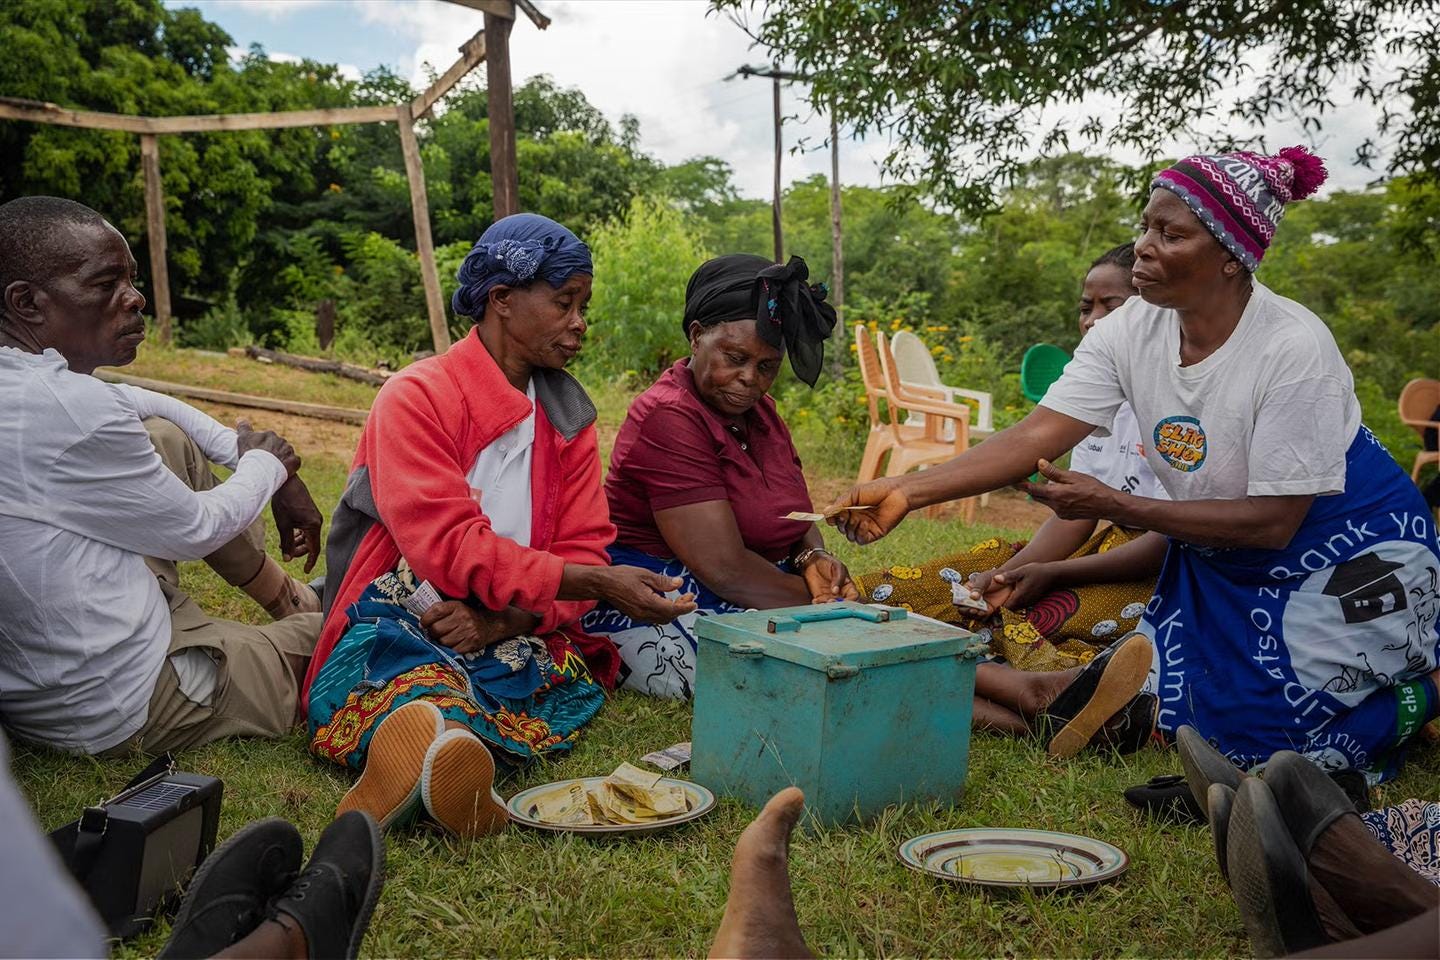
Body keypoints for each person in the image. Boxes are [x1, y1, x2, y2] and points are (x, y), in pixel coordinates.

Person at [829, 146, 1440, 779]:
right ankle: (1057, 696)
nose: (1144, 246)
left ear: (1231, 258)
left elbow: (1275, 522)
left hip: (1342, 553)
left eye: (1170, 233)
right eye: (1146, 226)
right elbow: (1038, 432)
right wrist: (909, 489)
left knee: (1271, 753)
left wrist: (1113, 505)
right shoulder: (1134, 329)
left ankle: (1425, 688)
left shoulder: (1292, 349)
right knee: (1180, 714)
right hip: (1218, 553)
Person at [303, 213, 695, 838]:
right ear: (502, 300)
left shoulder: (567, 414)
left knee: (529, 670)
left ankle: (436, 756)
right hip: (404, 603)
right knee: (403, 672)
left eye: (583, 306)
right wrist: (595, 584)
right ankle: (441, 748)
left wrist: (502, 621)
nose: (580, 323)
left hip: (514, 615)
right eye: (564, 303)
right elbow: (450, 548)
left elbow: (584, 544)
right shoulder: (416, 396)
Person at [0, 196, 325, 757]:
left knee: (167, 435)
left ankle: (287, 597)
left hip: (45, 674)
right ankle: (297, 624)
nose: (135, 298)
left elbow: (131, 396)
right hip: (116, 701)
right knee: (345, 633)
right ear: (27, 302)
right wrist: (267, 465)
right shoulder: (69, 410)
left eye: (130, 279)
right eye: (106, 283)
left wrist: (247, 452)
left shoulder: (30, 383)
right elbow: (195, 530)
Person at [855, 242, 1170, 673]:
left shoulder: (1175, 403)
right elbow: (1071, 511)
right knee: (955, 585)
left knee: (1040, 615)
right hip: (1092, 554)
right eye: (1085, 307)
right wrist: (1009, 573)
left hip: (1158, 571)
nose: (1093, 320)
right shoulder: (1097, 399)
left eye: (1110, 305)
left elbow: (1171, 540)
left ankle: (1073, 686)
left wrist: (1055, 573)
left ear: (1150, 309)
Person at [580, 253, 858, 700]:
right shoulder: (668, 416)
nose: (749, 379)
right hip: (669, 602)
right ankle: (998, 698)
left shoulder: (760, 412)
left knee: (879, 637)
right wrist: (836, 608)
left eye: (767, 366)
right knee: (830, 668)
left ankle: (1003, 697)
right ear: (696, 337)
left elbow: (796, 516)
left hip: (752, 587)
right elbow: (725, 570)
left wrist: (812, 560)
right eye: (735, 358)